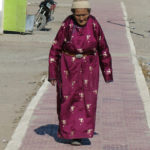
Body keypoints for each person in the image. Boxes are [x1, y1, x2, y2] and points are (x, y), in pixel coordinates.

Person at [48, 0, 113, 146]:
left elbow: (103, 48)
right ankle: (70, 133)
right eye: (78, 15)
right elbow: (55, 49)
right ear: (73, 14)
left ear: (89, 13)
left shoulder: (95, 25)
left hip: (89, 66)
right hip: (68, 66)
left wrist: (107, 72)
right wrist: (52, 73)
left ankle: (81, 134)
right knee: (68, 98)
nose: (81, 18)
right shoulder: (67, 25)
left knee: (87, 100)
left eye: (84, 15)